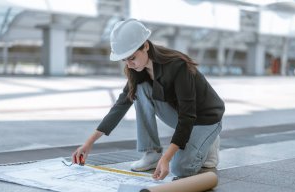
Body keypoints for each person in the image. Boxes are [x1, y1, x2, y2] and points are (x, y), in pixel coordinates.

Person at [72, 18, 224, 180]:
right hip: (181, 117)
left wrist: (167, 158)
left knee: (180, 169)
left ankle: (209, 142)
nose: (129, 65)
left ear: (145, 46)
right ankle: (151, 153)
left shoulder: (177, 66)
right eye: (125, 60)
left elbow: (188, 116)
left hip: (205, 119)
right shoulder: (138, 70)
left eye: (132, 58)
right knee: (138, 90)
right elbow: (121, 105)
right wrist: (88, 144)